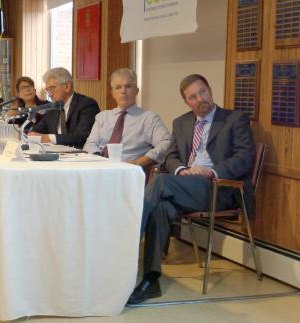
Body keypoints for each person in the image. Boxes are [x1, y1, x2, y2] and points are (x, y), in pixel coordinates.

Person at [127, 74, 255, 304]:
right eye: (193, 96)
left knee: (161, 182)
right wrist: (182, 170)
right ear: (187, 101)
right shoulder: (182, 122)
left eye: (203, 92)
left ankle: (128, 240)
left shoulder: (235, 119)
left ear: (210, 90)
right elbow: (170, 157)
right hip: (186, 184)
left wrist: (211, 171)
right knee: (162, 207)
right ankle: (151, 279)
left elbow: (245, 158)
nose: (200, 98)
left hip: (219, 188)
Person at [84, 68, 170, 171]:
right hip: (101, 169)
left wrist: (139, 162)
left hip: (129, 171)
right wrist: (100, 160)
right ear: (113, 93)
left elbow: (166, 143)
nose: (123, 91)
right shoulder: (103, 117)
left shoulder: (149, 118)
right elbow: (90, 144)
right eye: (118, 87)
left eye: (128, 86)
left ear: (136, 91)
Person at [28, 67, 100, 148]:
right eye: (47, 90)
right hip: (54, 155)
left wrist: (49, 138)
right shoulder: (53, 108)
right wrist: (33, 134)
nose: (50, 94)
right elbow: (37, 130)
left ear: (67, 87)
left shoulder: (87, 105)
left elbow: (81, 137)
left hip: (79, 156)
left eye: (52, 88)